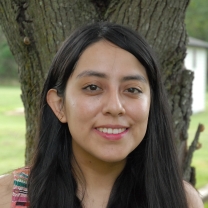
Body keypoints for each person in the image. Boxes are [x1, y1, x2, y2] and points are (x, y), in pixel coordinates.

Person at [0, 22, 203, 208]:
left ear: (152, 104)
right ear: (59, 105)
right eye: (93, 87)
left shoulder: (180, 200)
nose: (115, 107)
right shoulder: (8, 197)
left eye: (132, 90)